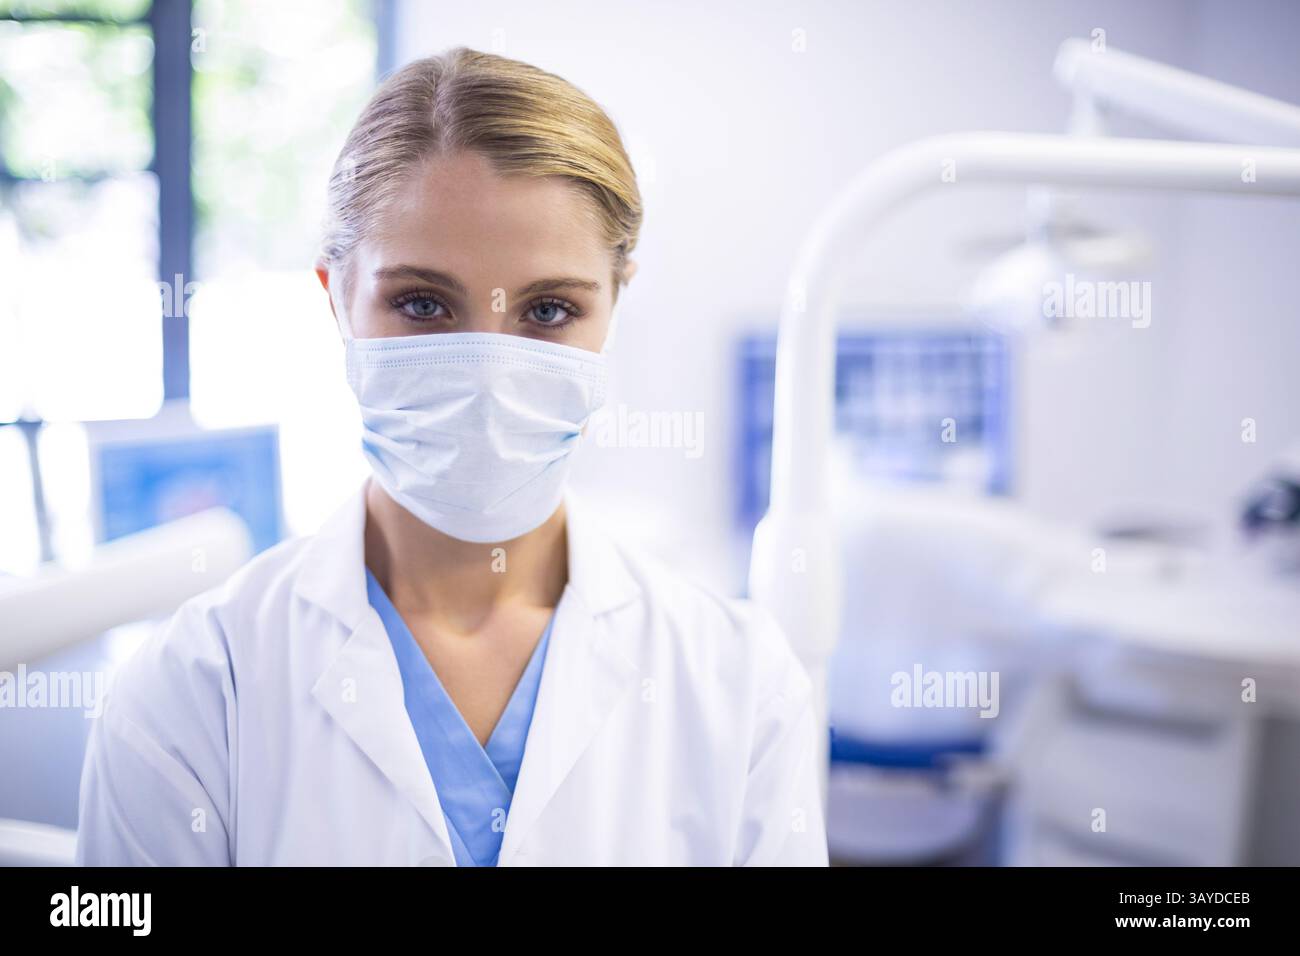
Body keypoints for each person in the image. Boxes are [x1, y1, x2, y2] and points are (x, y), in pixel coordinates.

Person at [76, 46, 827, 866]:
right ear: (336, 300)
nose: (487, 373)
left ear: (615, 305)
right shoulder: (192, 696)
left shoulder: (741, 688)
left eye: (547, 310)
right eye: (424, 303)